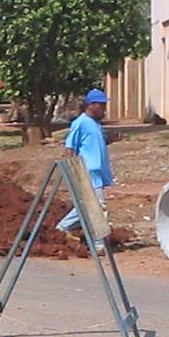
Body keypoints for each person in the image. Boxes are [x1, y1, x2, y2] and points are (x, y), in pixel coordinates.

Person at [57, 88, 120, 250]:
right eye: (102, 105)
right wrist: (73, 171)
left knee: (87, 206)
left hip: (97, 173)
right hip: (87, 172)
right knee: (96, 207)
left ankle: (63, 227)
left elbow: (93, 145)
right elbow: (70, 147)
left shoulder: (95, 124)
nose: (104, 109)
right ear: (92, 105)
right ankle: (98, 244)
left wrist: (110, 139)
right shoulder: (80, 122)